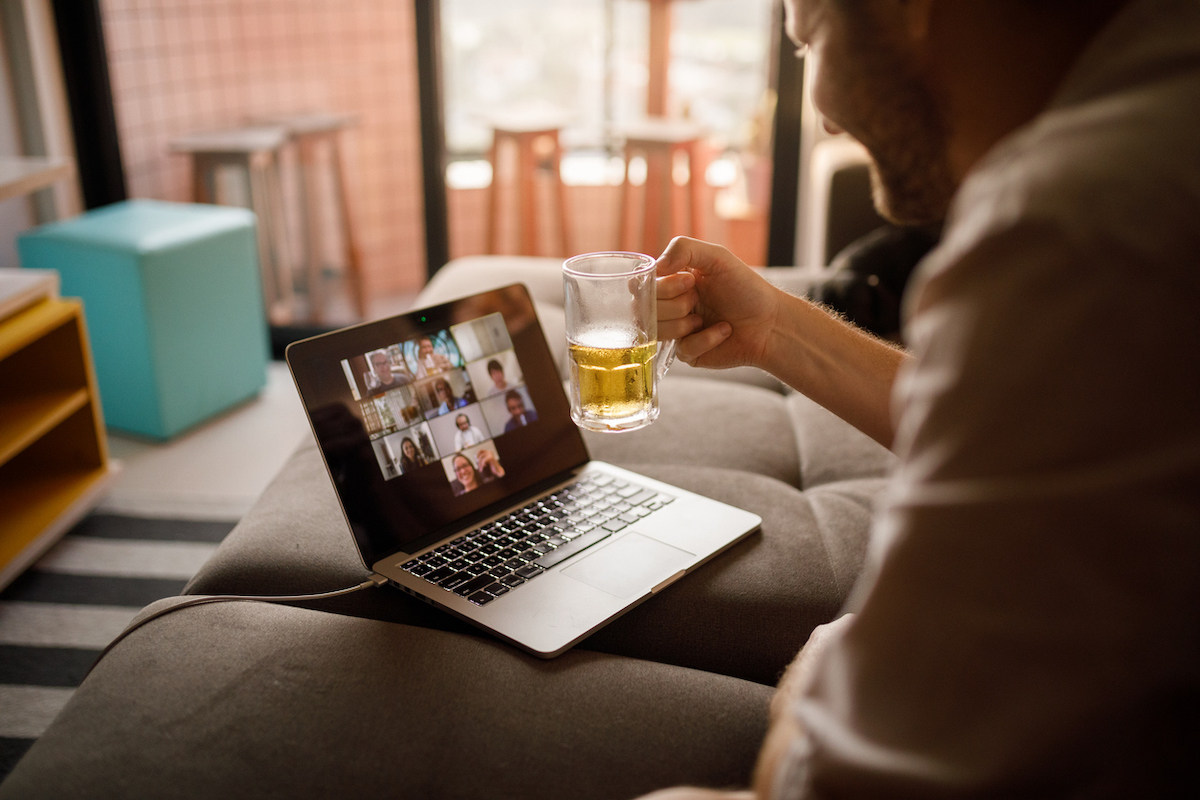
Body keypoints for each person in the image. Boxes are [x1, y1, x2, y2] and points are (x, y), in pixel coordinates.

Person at [638, 0, 1200, 797]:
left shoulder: (1084, 219)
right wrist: (775, 329)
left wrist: (819, 672)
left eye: (810, 39)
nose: (826, 119)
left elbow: (842, 782)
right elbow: (1027, 423)